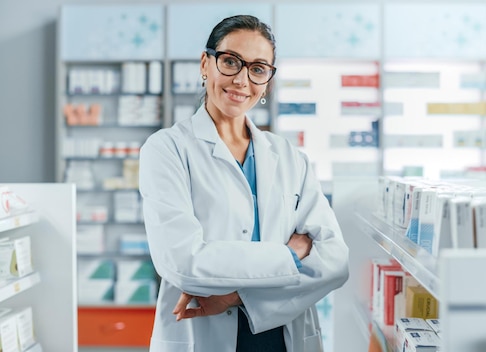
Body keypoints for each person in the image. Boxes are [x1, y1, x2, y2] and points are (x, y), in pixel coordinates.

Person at [139, 14, 350, 352]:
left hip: (282, 336)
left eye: (258, 68)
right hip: (201, 334)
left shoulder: (289, 157)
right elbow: (183, 262)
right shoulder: (167, 150)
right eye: (230, 62)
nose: (241, 80)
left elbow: (336, 261)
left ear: (267, 81)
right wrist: (290, 254)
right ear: (205, 64)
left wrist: (236, 296)